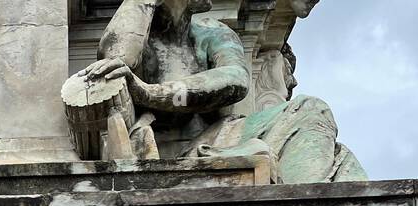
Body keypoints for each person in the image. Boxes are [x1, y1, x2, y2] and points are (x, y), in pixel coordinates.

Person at [80, 0, 366, 183]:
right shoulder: (140, 35)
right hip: (168, 150)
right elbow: (115, 60)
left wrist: (149, 93)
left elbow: (235, 78)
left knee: (313, 115)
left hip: (222, 137)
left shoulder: (209, 31)